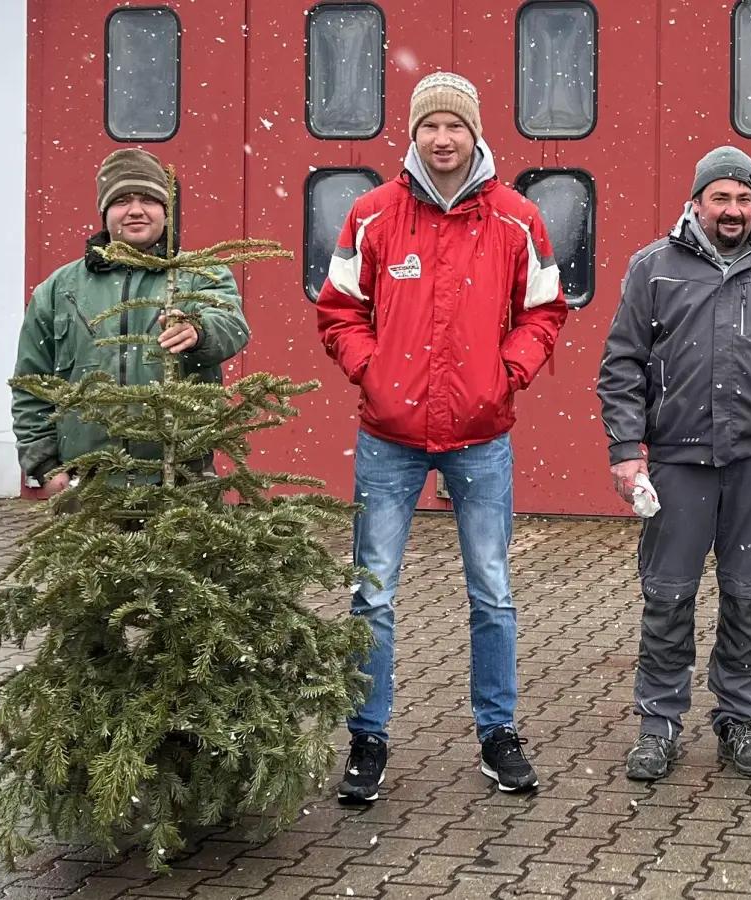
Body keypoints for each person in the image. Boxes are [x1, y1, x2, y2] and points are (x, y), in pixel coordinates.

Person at [314, 72, 565, 803]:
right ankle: (367, 737)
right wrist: (374, 372)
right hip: (388, 438)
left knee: (491, 592)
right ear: (414, 134)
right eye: (431, 126)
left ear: (474, 133)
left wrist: (505, 373)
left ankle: (497, 733)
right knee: (373, 597)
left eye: (455, 125)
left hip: (480, 437)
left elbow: (544, 313)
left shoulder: (517, 219)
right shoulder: (371, 216)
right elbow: (337, 311)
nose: (443, 138)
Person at [597, 146, 751, 783]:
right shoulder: (654, 268)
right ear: (697, 200)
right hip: (677, 462)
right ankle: (659, 723)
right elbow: (621, 365)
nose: (732, 209)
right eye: (720, 197)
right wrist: (626, 451)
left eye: (744, 198)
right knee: (668, 597)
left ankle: (738, 720)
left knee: (747, 596)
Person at [12, 147, 249, 494]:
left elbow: (233, 324)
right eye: (122, 200)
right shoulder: (59, 289)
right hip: (88, 484)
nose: (136, 210)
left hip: (179, 476)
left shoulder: (202, 274)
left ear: (166, 212)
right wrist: (44, 464)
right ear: (104, 212)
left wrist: (199, 332)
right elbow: (32, 382)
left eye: (148, 200)